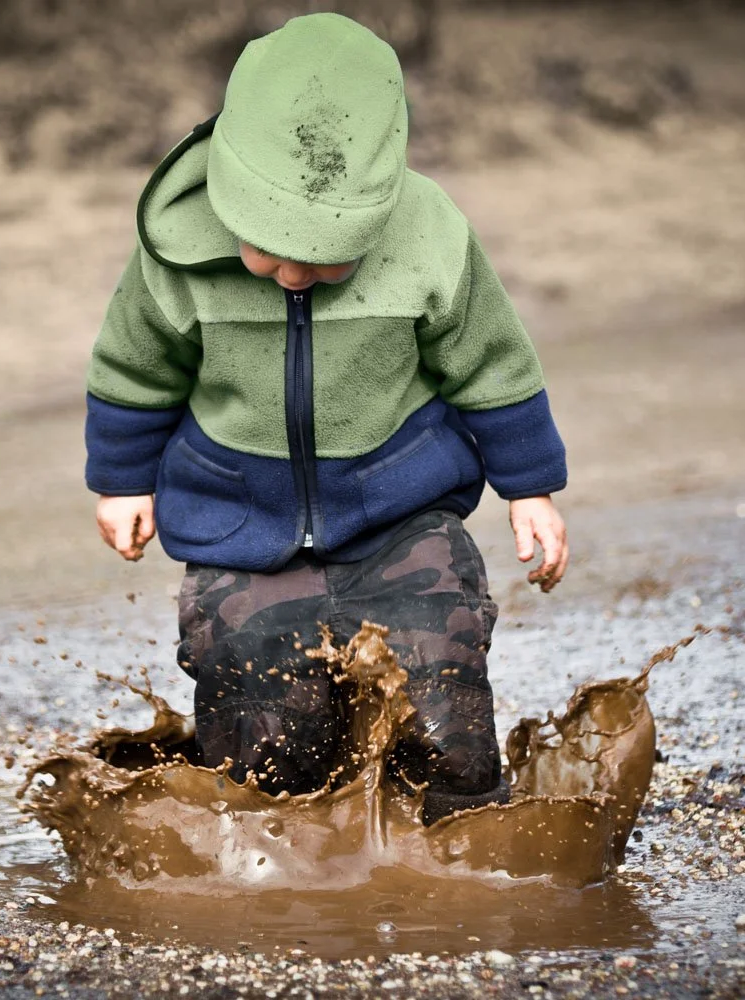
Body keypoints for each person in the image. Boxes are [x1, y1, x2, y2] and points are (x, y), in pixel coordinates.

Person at [85, 12, 568, 823]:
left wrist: (532, 489)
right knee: (265, 741)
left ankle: (463, 839)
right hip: (239, 524)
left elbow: (492, 359)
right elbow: (135, 368)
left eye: (326, 255)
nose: (295, 275)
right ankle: (280, 857)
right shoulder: (175, 253)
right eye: (270, 250)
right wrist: (122, 482)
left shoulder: (429, 234)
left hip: (401, 513)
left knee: (443, 699)